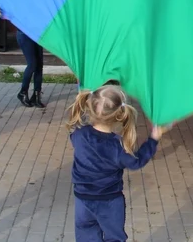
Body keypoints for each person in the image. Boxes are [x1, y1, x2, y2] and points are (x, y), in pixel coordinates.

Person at [67, 85, 170, 241]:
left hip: (83, 199)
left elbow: (76, 133)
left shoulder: (79, 135)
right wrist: (153, 139)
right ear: (119, 115)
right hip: (109, 202)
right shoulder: (118, 148)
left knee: (86, 234)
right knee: (114, 237)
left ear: (90, 108)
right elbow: (136, 162)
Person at [16, 28, 45, 108]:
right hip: (24, 34)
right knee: (32, 64)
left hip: (37, 33)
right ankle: (23, 93)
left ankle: (36, 95)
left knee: (39, 65)